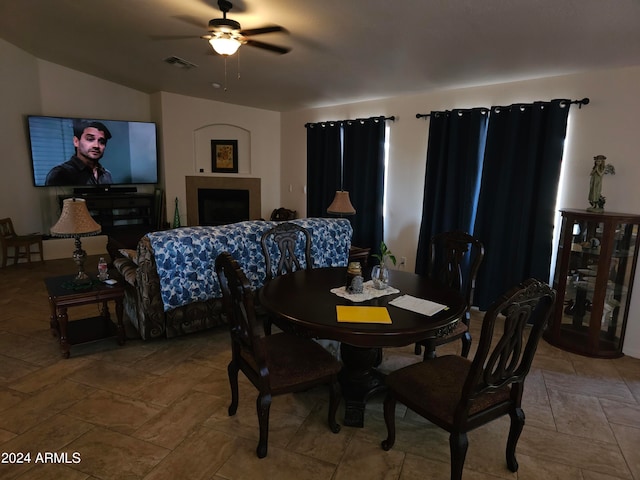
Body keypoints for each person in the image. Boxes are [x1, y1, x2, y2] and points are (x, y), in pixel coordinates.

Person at [45, 120, 113, 186]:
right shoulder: (61, 173)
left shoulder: (106, 174)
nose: (96, 146)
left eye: (102, 142)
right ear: (76, 141)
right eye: (90, 139)